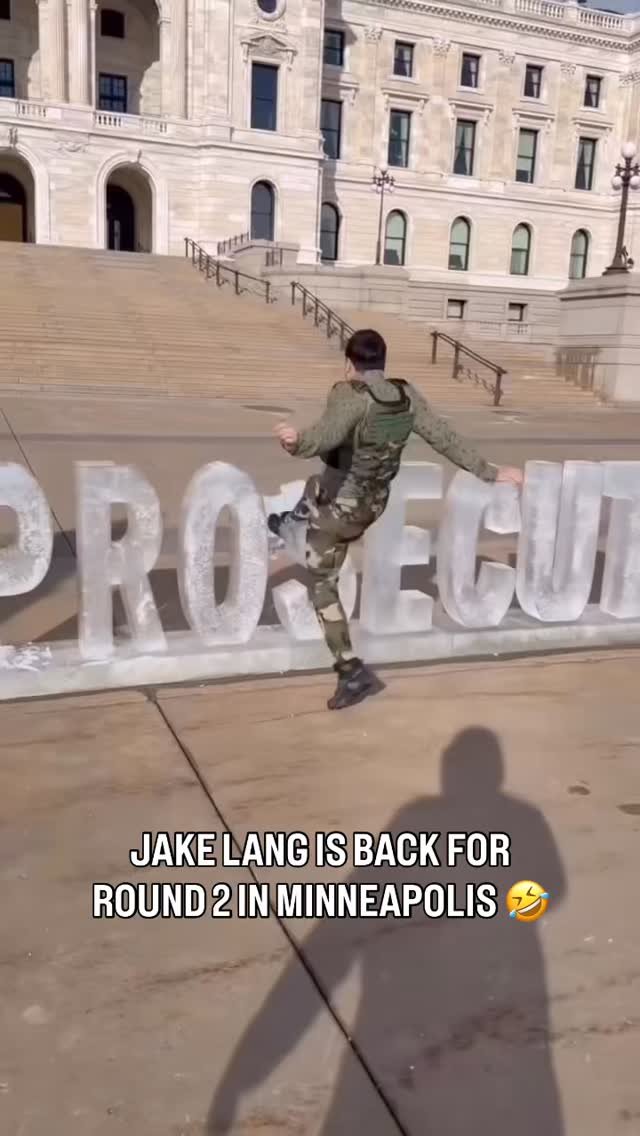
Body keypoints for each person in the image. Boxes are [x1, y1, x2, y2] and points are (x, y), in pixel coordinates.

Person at [268, 329, 522, 711]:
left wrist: (295, 442)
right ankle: (292, 521)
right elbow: (444, 437)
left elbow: (325, 436)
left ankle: (350, 672)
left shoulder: (348, 394)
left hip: (341, 512)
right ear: (383, 363)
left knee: (322, 584)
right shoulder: (405, 395)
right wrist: (490, 471)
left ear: (349, 363)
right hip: (373, 504)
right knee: (316, 485)